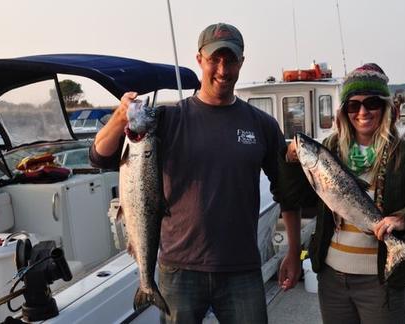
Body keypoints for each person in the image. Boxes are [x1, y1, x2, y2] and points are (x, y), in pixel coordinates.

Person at [90, 22, 290, 324]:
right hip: (178, 268)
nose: (223, 69)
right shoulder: (167, 119)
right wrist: (120, 118)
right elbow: (99, 156)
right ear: (200, 60)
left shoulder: (261, 124)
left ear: (241, 62)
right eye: (214, 60)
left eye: (231, 60)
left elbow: (285, 189)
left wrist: (293, 250)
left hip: (241, 268)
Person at [278, 63, 405, 323]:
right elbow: (300, 198)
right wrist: (290, 163)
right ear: (344, 111)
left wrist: (404, 218)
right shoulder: (329, 148)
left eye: (372, 103)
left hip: (381, 283)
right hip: (331, 279)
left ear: (386, 107)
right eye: (353, 105)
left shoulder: (404, 153)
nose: (362, 112)